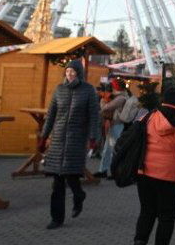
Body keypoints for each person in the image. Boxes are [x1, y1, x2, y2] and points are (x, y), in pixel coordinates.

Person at [133, 87, 175, 245]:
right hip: (169, 177)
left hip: (145, 172)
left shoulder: (150, 116)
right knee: (166, 216)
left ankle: (139, 241)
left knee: (147, 212)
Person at [39, 60, 100, 230]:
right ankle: (56, 218)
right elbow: (51, 115)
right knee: (57, 182)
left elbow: (95, 116)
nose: (70, 74)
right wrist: (43, 137)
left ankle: (79, 195)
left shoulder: (88, 90)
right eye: (67, 72)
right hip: (58, 139)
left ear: (79, 73)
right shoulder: (59, 90)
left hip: (76, 139)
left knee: (72, 176)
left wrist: (93, 138)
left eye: (73, 71)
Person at [94, 79, 129, 178]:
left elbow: (106, 108)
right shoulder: (119, 96)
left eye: (112, 86)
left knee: (114, 149)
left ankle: (116, 172)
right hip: (114, 124)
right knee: (108, 149)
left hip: (117, 125)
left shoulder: (121, 98)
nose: (111, 88)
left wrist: (102, 100)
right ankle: (103, 170)